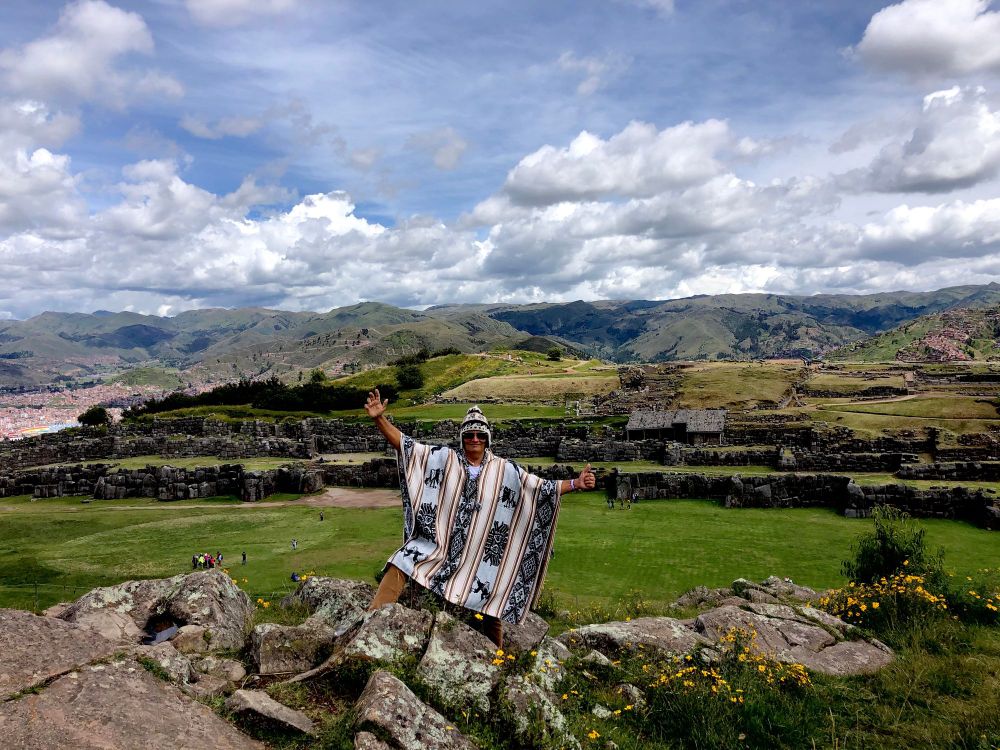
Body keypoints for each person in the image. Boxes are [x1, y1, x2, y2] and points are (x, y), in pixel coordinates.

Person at [363, 389, 596, 647]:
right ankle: (373, 621)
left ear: (487, 438)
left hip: (479, 554)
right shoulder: (445, 459)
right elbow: (408, 447)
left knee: (492, 594)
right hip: (440, 546)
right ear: (462, 437)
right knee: (403, 560)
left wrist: (576, 483)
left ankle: (496, 658)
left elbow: (539, 487)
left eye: (480, 435)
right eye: (469, 434)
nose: (475, 439)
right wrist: (379, 420)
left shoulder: (504, 470)